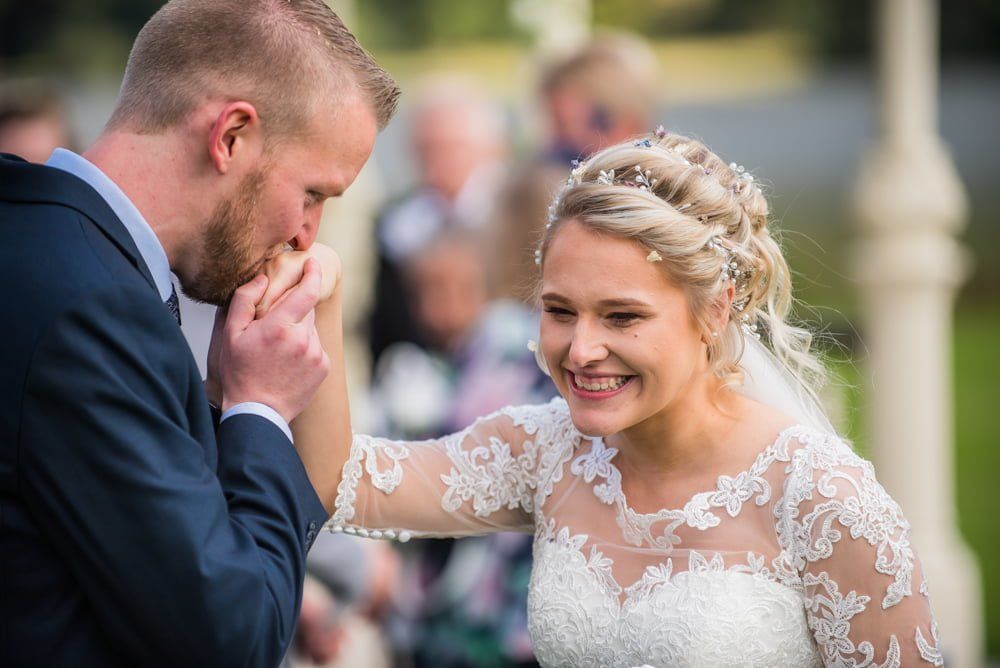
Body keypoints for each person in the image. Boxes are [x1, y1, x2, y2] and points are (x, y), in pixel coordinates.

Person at [263, 129, 944, 666]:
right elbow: (340, 484)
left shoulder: (821, 499)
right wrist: (323, 293)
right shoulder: (547, 453)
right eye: (560, 311)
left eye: (621, 317)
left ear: (716, 311)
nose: (581, 349)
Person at [0, 0, 398, 665]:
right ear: (232, 135)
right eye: (313, 194)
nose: (307, 234)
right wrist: (261, 408)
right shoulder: (93, 310)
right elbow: (231, 639)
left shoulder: (41, 238)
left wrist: (218, 400)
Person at [367, 79, 507, 365]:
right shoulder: (396, 224)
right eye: (426, 150)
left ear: (491, 149)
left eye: (453, 148)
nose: (439, 162)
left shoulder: (509, 214)